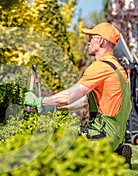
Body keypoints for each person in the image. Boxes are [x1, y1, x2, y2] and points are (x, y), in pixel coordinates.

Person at [24, 22, 132, 168]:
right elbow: (82, 102)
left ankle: (102, 155)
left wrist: (40, 101)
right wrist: (53, 107)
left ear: (100, 40)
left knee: (55, 141)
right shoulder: (119, 69)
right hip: (116, 137)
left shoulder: (100, 67)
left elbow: (70, 96)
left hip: (101, 136)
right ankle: (115, 154)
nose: (88, 42)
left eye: (91, 38)